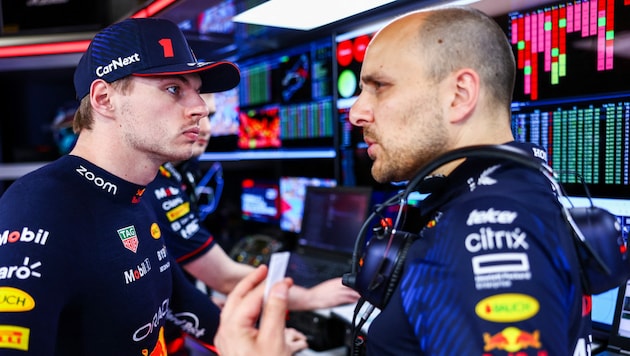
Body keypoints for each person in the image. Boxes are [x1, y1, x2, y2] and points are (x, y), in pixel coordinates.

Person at [213, 6, 593, 355]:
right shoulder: (498, 195)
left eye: (380, 86)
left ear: (459, 95)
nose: (357, 112)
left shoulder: (484, 229)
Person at [0, 17, 245, 355]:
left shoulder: (137, 194)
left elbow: (177, 301)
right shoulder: (37, 209)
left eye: (197, 91)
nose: (200, 108)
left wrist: (250, 342)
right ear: (104, 99)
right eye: (174, 88)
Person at [144, 93, 359, 354]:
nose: (207, 129)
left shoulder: (178, 174)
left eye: (210, 116)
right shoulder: (158, 186)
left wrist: (206, 303)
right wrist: (310, 298)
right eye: (195, 115)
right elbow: (224, 277)